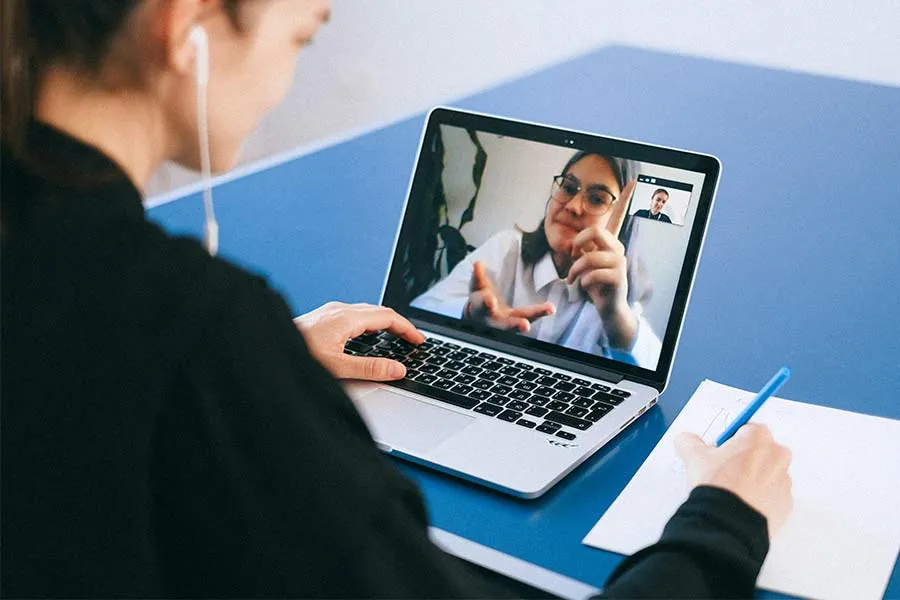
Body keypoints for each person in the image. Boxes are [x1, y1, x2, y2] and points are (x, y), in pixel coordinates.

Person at [0, 0, 793, 598]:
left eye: (598, 196)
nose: (287, 77)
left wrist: (272, 358)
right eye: (299, 37)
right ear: (188, 26)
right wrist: (721, 520)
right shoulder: (199, 334)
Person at [413, 151, 663, 368]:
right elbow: (420, 309)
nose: (574, 206)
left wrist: (615, 313)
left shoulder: (616, 295)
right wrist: (468, 313)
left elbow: (653, 374)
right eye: (568, 187)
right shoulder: (507, 247)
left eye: (597, 198)